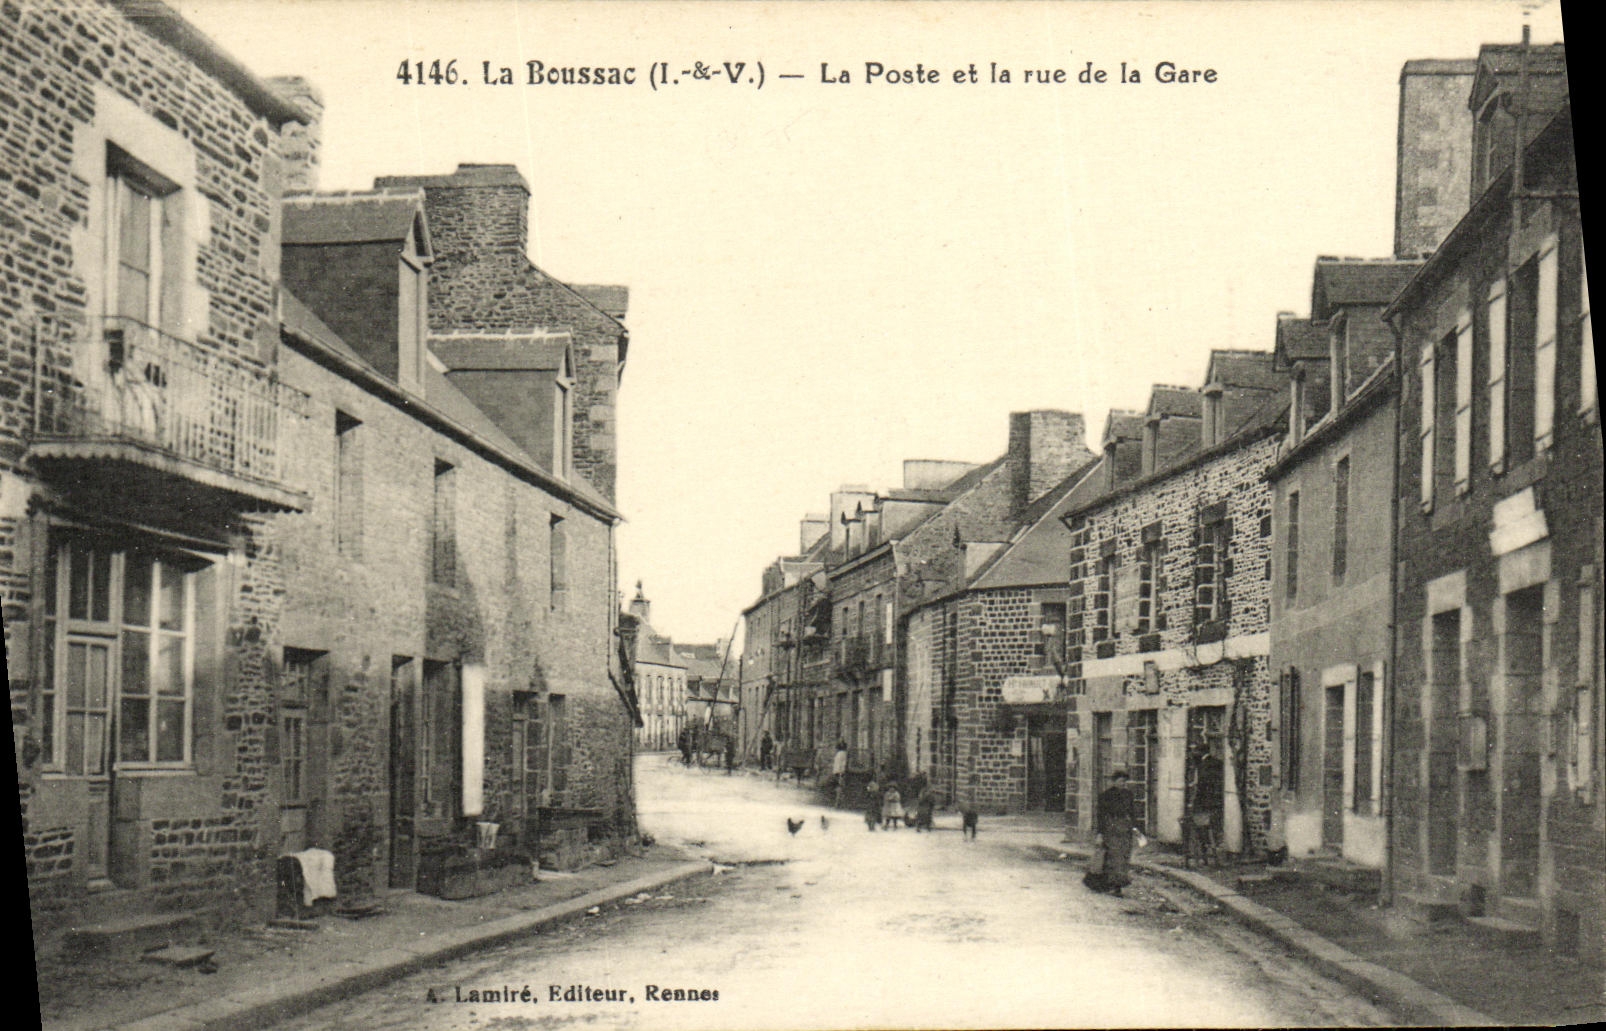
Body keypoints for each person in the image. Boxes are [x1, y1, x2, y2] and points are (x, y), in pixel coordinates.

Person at [1091, 770, 1140, 896]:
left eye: (1125, 781)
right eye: (1121, 781)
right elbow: (1101, 815)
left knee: (1123, 857)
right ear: (1114, 781)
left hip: (1125, 829)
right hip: (1111, 829)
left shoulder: (1128, 795)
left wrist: (1135, 828)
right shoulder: (1105, 795)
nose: (1124, 783)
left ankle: (1117, 884)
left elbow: (1132, 813)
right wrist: (1100, 833)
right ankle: (1113, 886)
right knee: (1112, 857)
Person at [1191, 743, 1225, 866]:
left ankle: (1204, 854)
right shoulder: (1218, 763)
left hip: (1203, 804)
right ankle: (1213, 853)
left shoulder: (1202, 766)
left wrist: (1194, 802)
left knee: (1202, 830)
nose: (1194, 755)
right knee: (1213, 830)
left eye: (1196, 752)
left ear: (1200, 753)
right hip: (1217, 803)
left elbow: (1201, 786)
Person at [830, 740, 849, 807]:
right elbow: (843, 764)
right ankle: (838, 803)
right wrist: (842, 772)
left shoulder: (838, 754)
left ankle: (838, 802)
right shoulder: (844, 754)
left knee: (839, 787)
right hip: (841, 772)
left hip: (836, 771)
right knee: (841, 787)